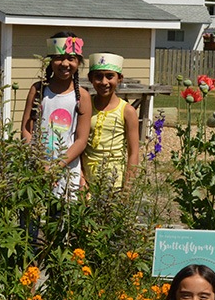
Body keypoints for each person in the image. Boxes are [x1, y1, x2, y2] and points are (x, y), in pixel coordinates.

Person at [20, 32, 91, 198]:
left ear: (78, 62)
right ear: (50, 61)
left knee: (60, 219)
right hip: (36, 168)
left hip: (67, 173)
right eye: (59, 57)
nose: (64, 63)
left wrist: (56, 167)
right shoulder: (38, 90)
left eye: (71, 58)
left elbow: (81, 141)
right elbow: (26, 130)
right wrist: (40, 163)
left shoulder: (82, 96)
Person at [82, 53, 139, 189]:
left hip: (114, 182)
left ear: (119, 78)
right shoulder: (85, 105)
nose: (104, 82)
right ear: (90, 78)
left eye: (109, 76)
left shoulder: (127, 111)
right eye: (98, 76)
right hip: (85, 182)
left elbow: (134, 153)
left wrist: (127, 189)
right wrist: (81, 178)